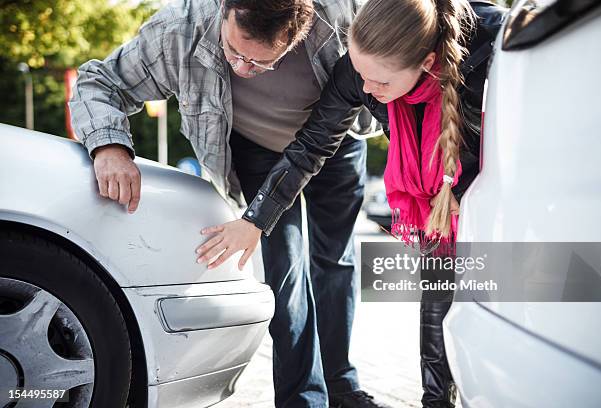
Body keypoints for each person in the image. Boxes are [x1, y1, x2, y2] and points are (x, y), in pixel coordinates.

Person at [68, 0, 391, 407]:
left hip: (333, 142)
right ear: (225, 10)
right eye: (235, 52)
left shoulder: (339, 16)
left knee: (335, 263)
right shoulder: (179, 29)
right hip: (259, 151)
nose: (242, 68)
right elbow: (98, 81)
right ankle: (303, 399)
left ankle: (342, 386)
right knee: (285, 272)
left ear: (297, 35)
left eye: (261, 63)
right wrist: (109, 146)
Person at [200, 0, 507, 406]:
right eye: (360, 74)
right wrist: (255, 219)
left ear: (428, 63)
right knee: (438, 285)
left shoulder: (493, 51)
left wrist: (475, 192)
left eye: (379, 82)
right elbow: (310, 146)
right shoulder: (359, 73)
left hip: (499, 191)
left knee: (511, 303)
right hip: (434, 196)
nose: (364, 90)